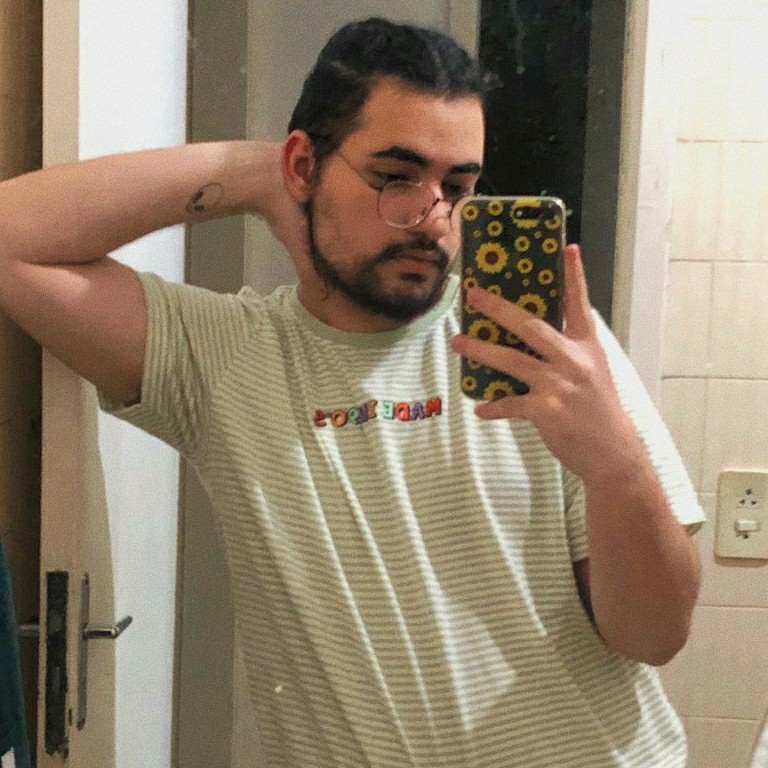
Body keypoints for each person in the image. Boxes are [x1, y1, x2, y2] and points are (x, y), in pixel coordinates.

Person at [0, 17, 704, 768]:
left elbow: (654, 636)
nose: (434, 220)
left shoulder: (546, 346)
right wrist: (255, 174)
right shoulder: (221, 358)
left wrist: (616, 464)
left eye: (458, 188)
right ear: (303, 166)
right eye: (396, 178)